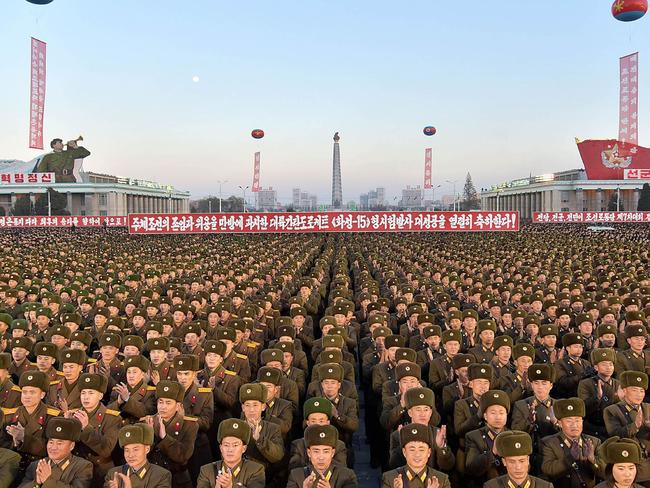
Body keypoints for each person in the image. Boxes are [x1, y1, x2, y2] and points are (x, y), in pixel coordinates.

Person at [539, 397, 603, 488]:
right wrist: (569, 459)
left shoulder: (594, 442)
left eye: (577, 420)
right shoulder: (549, 443)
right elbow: (548, 470)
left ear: (582, 422)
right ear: (560, 423)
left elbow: (605, 473)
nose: (574, 425)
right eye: (569, 421)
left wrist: (593, 460)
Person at [19, 417, 93, 488]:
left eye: (59, 443)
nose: (53, 447)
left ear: (72, 446)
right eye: (51, 442)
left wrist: (48, 481)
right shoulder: (36, 465)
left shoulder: (82, 467)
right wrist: (37, 483)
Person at [196, 418, 265, 488]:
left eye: (235, 445)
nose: (230, 449)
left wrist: (232, 486)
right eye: (226, 445)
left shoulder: (255, 470)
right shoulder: (206, 471)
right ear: (221, 448)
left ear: (244, 448)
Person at [381, 422, 451, 488]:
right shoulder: (389, 479)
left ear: (429, 452)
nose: (417, 454)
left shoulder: (442, 480)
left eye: (421, 449)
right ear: (404, 452)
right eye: (412, 449)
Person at [286, 424, 358, 488]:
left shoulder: (346, 476)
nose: (321, 457)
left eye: (326, 451)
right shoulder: (296, 476)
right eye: (316, 451)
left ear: (332, 453)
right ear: (309, 453)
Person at [104, 423, 172, 488]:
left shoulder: (160, 476)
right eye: (127, 450)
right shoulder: (113, 474)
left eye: (135, 449)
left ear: (147, 449)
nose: (130, 455)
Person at [484, 430, 553, 488]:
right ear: (504, 462)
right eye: (512, 461)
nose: (518, 467)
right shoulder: (491, 486)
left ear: (528, 460)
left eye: (522, 461)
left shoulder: (545, 486)